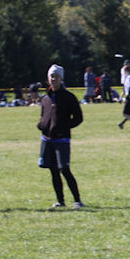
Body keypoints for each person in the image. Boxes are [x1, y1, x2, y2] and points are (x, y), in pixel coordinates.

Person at [38, 64, 84, 209]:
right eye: (52, 76)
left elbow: (78, 118)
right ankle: (60, 201)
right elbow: (43, 115)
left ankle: (77, 201)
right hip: (47, 139)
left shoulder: (69, 97)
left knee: (64, 168)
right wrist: (42, 125)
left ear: (61, 78)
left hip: (62, 139)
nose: (54, 79)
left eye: (57, 76)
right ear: (48, 79)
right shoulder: (45, 98)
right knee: (53, 170)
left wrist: (63, 127)